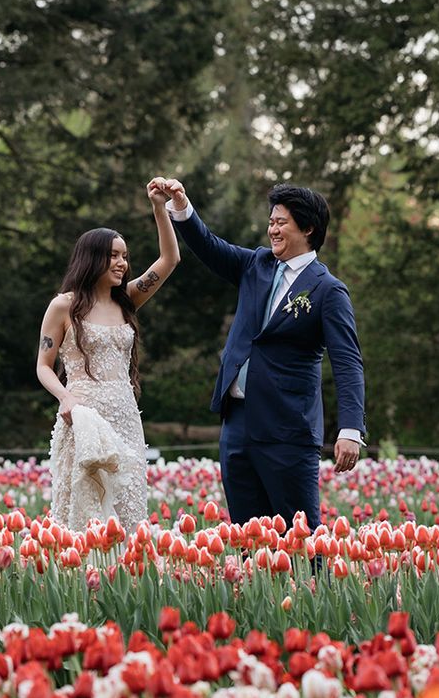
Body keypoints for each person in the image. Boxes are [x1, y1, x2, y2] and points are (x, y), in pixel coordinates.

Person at [157, 177, 365, 528]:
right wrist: (181, 205)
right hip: (237, 423)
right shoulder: (257, 265)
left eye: (281, 222)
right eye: (271, 222)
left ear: (308, 228)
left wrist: (350, 429)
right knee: (248, 538)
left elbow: (347, 363)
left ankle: (312, 587)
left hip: (287, 429)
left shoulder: (328, 291)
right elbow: (209, 247)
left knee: (301, 542)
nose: (273, 230)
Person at [36, 184, 180, 530]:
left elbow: (170, 260)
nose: (122, 263)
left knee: (129, 511)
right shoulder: (63, 306)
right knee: (86, 512)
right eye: (113, 255)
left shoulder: (128, 300)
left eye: (124, 256)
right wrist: (66, 396)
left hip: (127, 417)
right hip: (85, 419)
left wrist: (160, 208)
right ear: (92, 258)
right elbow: (43, 365)